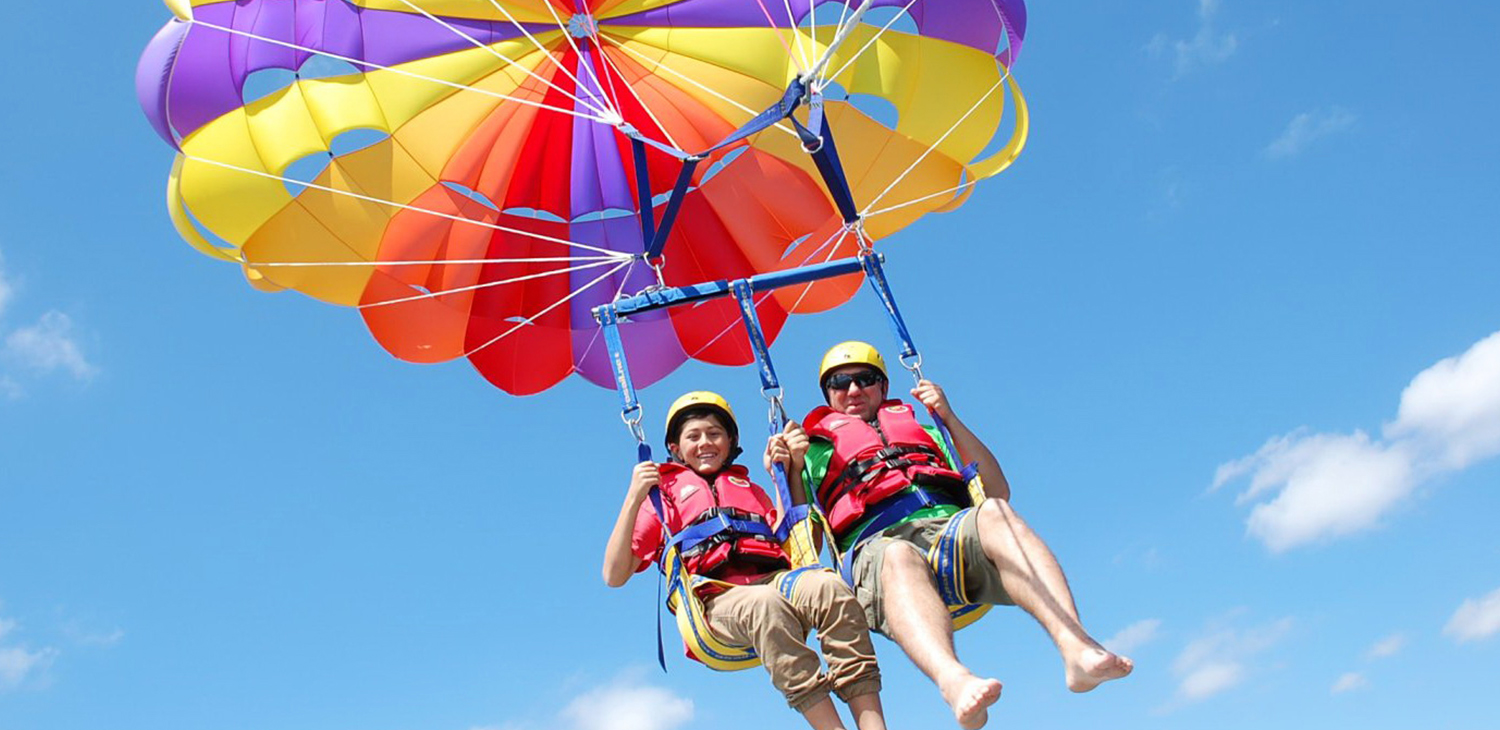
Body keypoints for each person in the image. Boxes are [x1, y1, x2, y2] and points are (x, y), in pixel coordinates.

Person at [798, 342, 1133, 730]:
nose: (853, 390)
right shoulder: (811, 453)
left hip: (950, 535)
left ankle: (1076, 646)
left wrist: (948, 417)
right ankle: (953, 680)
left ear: (883, 386)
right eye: (840, 382)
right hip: (879, 547)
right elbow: (806, 545)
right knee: (897, 555)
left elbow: (997, 489)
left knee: (996, 512)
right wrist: (785, 470)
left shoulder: (925, 431)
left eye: (864, 379)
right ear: (828, 394)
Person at [602, 391, 889, 730]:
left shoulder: (749, 489)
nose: (705, 442)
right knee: (764, 603)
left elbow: (800, 547)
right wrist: (635, 496)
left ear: (730, 441)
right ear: (676, 449)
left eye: (714, 434)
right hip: (715, 600)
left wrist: (791, 472)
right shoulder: (663, 497)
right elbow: (614, 574)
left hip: (777, 583)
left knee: (828, 585)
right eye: (693, 436)